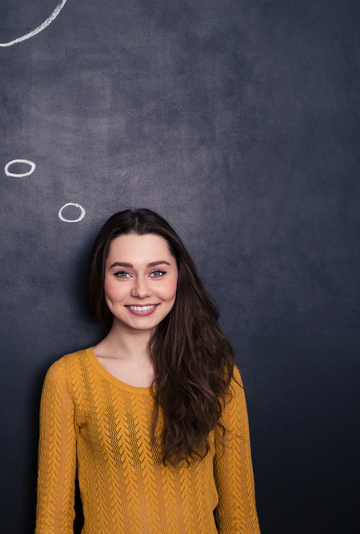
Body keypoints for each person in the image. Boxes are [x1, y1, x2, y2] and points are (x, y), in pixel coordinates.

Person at [35, 209, 259, 534]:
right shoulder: (68, 378)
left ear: (178, 276)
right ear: (101, 279)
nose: (141, 290)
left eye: (157, 273)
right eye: (123, 274)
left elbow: (241, 517)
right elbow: (52, 523)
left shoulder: (218, 374)